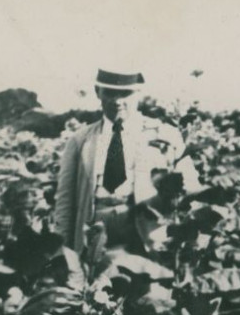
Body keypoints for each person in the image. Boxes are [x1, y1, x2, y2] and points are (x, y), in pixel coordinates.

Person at [52, 68, 188, 255]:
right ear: (97, 92)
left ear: (138, 93)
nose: (117, 101)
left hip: (145, 235)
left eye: (125, 93)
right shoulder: (80, 140)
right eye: (109, 93)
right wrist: (63, 253)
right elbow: (65, 202)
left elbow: (189, 186)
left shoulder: (165, 134)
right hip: (93, 236)